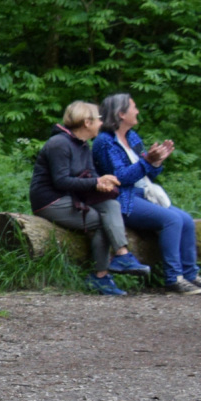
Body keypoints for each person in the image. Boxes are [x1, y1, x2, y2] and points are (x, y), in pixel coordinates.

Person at [94, 93, 201, 294]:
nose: (137, 111)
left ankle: (190, 274)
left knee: (186, 220)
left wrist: (156, 162)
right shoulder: (105, 141)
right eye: (133, 107)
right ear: (121, 114)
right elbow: (120, 178)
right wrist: (147, 162)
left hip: (144, 194)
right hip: (123, 199)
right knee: (172, 220)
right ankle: (173, 277)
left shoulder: (132, 137)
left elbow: (148, 172)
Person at [29, 101, 141, 295]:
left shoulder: (83, 146)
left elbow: (91, 176)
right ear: (87, 122)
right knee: (101, 221)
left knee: (111, 205)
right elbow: (61, 181)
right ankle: (100, 276)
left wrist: (104, 182)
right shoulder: (59, 144)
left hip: (73, 196)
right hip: (50, 201)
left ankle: (122, 256)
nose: (101, 123)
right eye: (98, 119)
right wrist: (96, 182)